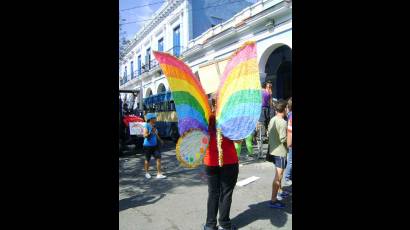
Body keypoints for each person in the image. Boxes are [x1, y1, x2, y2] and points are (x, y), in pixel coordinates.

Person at [203, 95, 239, 230]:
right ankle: (224, 224)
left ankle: (210, 225)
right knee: (226, 193)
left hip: (210, 162)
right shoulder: (230, 119)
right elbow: (239, 140)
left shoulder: (205, 118)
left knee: (213, 193)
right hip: (229, 161)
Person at [266, 99, 288, 208]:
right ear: (285, 109)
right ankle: (273, 200)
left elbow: (269, 133)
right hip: (280, 152)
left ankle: (279, 191)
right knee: (278, 177)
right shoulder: (283, 122)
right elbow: (284, 140)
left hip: (273, 151)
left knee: (279, 174)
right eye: (287, 108)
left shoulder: (273, 119)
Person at [142, 113, 166, 179]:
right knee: (147, 160)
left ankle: (159, 174)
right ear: (151, 119)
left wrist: (160, 140)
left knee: (158, 158)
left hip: (155, 145)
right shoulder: (146, 125)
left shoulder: (154, 125)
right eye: (154, 118)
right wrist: (150, 132)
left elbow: (156, 134)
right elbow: (145, 135)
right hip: (147, 146)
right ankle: (147, 173)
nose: (156, 119)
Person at [283, 97, 292, 185]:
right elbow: (290, 131)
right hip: (291, 142)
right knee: (290, 160)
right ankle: (287, 177)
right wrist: (289, 143)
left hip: (290, 142)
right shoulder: (291, 115)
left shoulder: (289, 114)